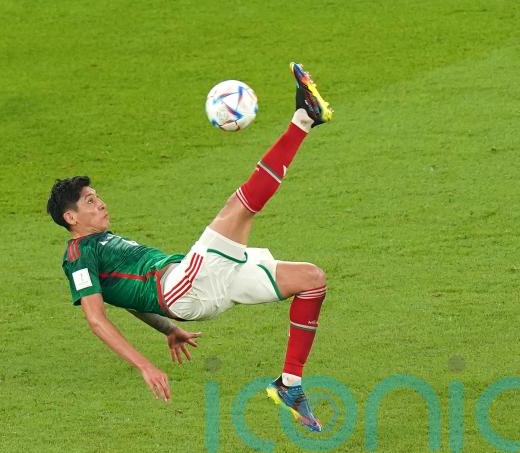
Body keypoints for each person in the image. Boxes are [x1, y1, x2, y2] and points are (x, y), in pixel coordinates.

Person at [46, 62, 333, 432]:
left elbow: (124, 297)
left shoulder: (102, 243)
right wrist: (145, 365)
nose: (100, 204)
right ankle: (304, 118)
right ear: (71, 217)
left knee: (312, 280)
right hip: (184, 288)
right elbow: (96, 318)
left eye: (97, 196)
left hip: (199, 288)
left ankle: (290, 385)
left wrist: (167, 329)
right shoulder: (79, 255)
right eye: (89, 201)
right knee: (240, 206)